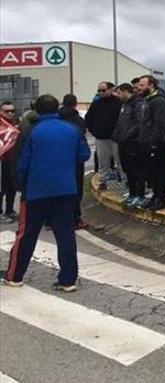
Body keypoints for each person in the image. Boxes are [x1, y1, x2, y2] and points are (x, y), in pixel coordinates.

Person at [2, 95, 90, 292]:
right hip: (66, 189)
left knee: (26, 234)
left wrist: (21, 186)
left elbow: (21, 164)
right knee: (65, 234)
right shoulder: (73, 129)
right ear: (57, 109)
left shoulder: (29, 131)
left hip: (36, 190)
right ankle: (68, 280)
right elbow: (84, 155)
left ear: (37, 110)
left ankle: (15, 276)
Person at [136, 76, 165, 212]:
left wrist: (154, 142)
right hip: (146, 142)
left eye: (142, 85)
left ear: (151, 86)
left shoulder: (159, 101)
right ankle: (155, 196)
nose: (139, 87)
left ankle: (160, 198)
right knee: (152, 172)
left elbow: (160, 123)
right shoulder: (147, 100)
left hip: (157, 143)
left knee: (159, 172)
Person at [113, 83, 148, 208]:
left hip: (134, 143)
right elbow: (121, 122)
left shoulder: (137, 104)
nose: (117, 95)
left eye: (119, 93)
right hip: (123, 143)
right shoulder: (125, 105)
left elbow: (140, 123)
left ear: (126, 91)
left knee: (137, 170)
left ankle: (140, 195)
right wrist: (116, 135)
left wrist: (127, 135)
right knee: (128, 169)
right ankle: (132, 194)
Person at [85, 81, 123, 189]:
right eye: (99, 90)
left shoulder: (118, 103)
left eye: (103, 90)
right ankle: (103, 181)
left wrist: (118, 133)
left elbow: (123, 119)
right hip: (101, 138)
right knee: (103, 162)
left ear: (111, 90)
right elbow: (88, 118)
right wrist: (94, 131)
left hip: (115, 138)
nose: (101, 92)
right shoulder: (96, 104)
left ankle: (126, 181)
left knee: (120, 161)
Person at [59, 94, 88, 227]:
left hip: (58, 161)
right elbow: (82, 144)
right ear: (75, 104)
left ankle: (53, 219)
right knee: (76, 189)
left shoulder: (56, 119)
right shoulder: (78, 121)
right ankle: (75, 218)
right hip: (75, 161)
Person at [0, 100, 19, 223]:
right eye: (7, 111)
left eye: (13, 111)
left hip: (12, 161)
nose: (11, 113)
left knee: (11, 187)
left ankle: (9, 210)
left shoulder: (16, 123)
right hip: (1, 160)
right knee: (1, 188)